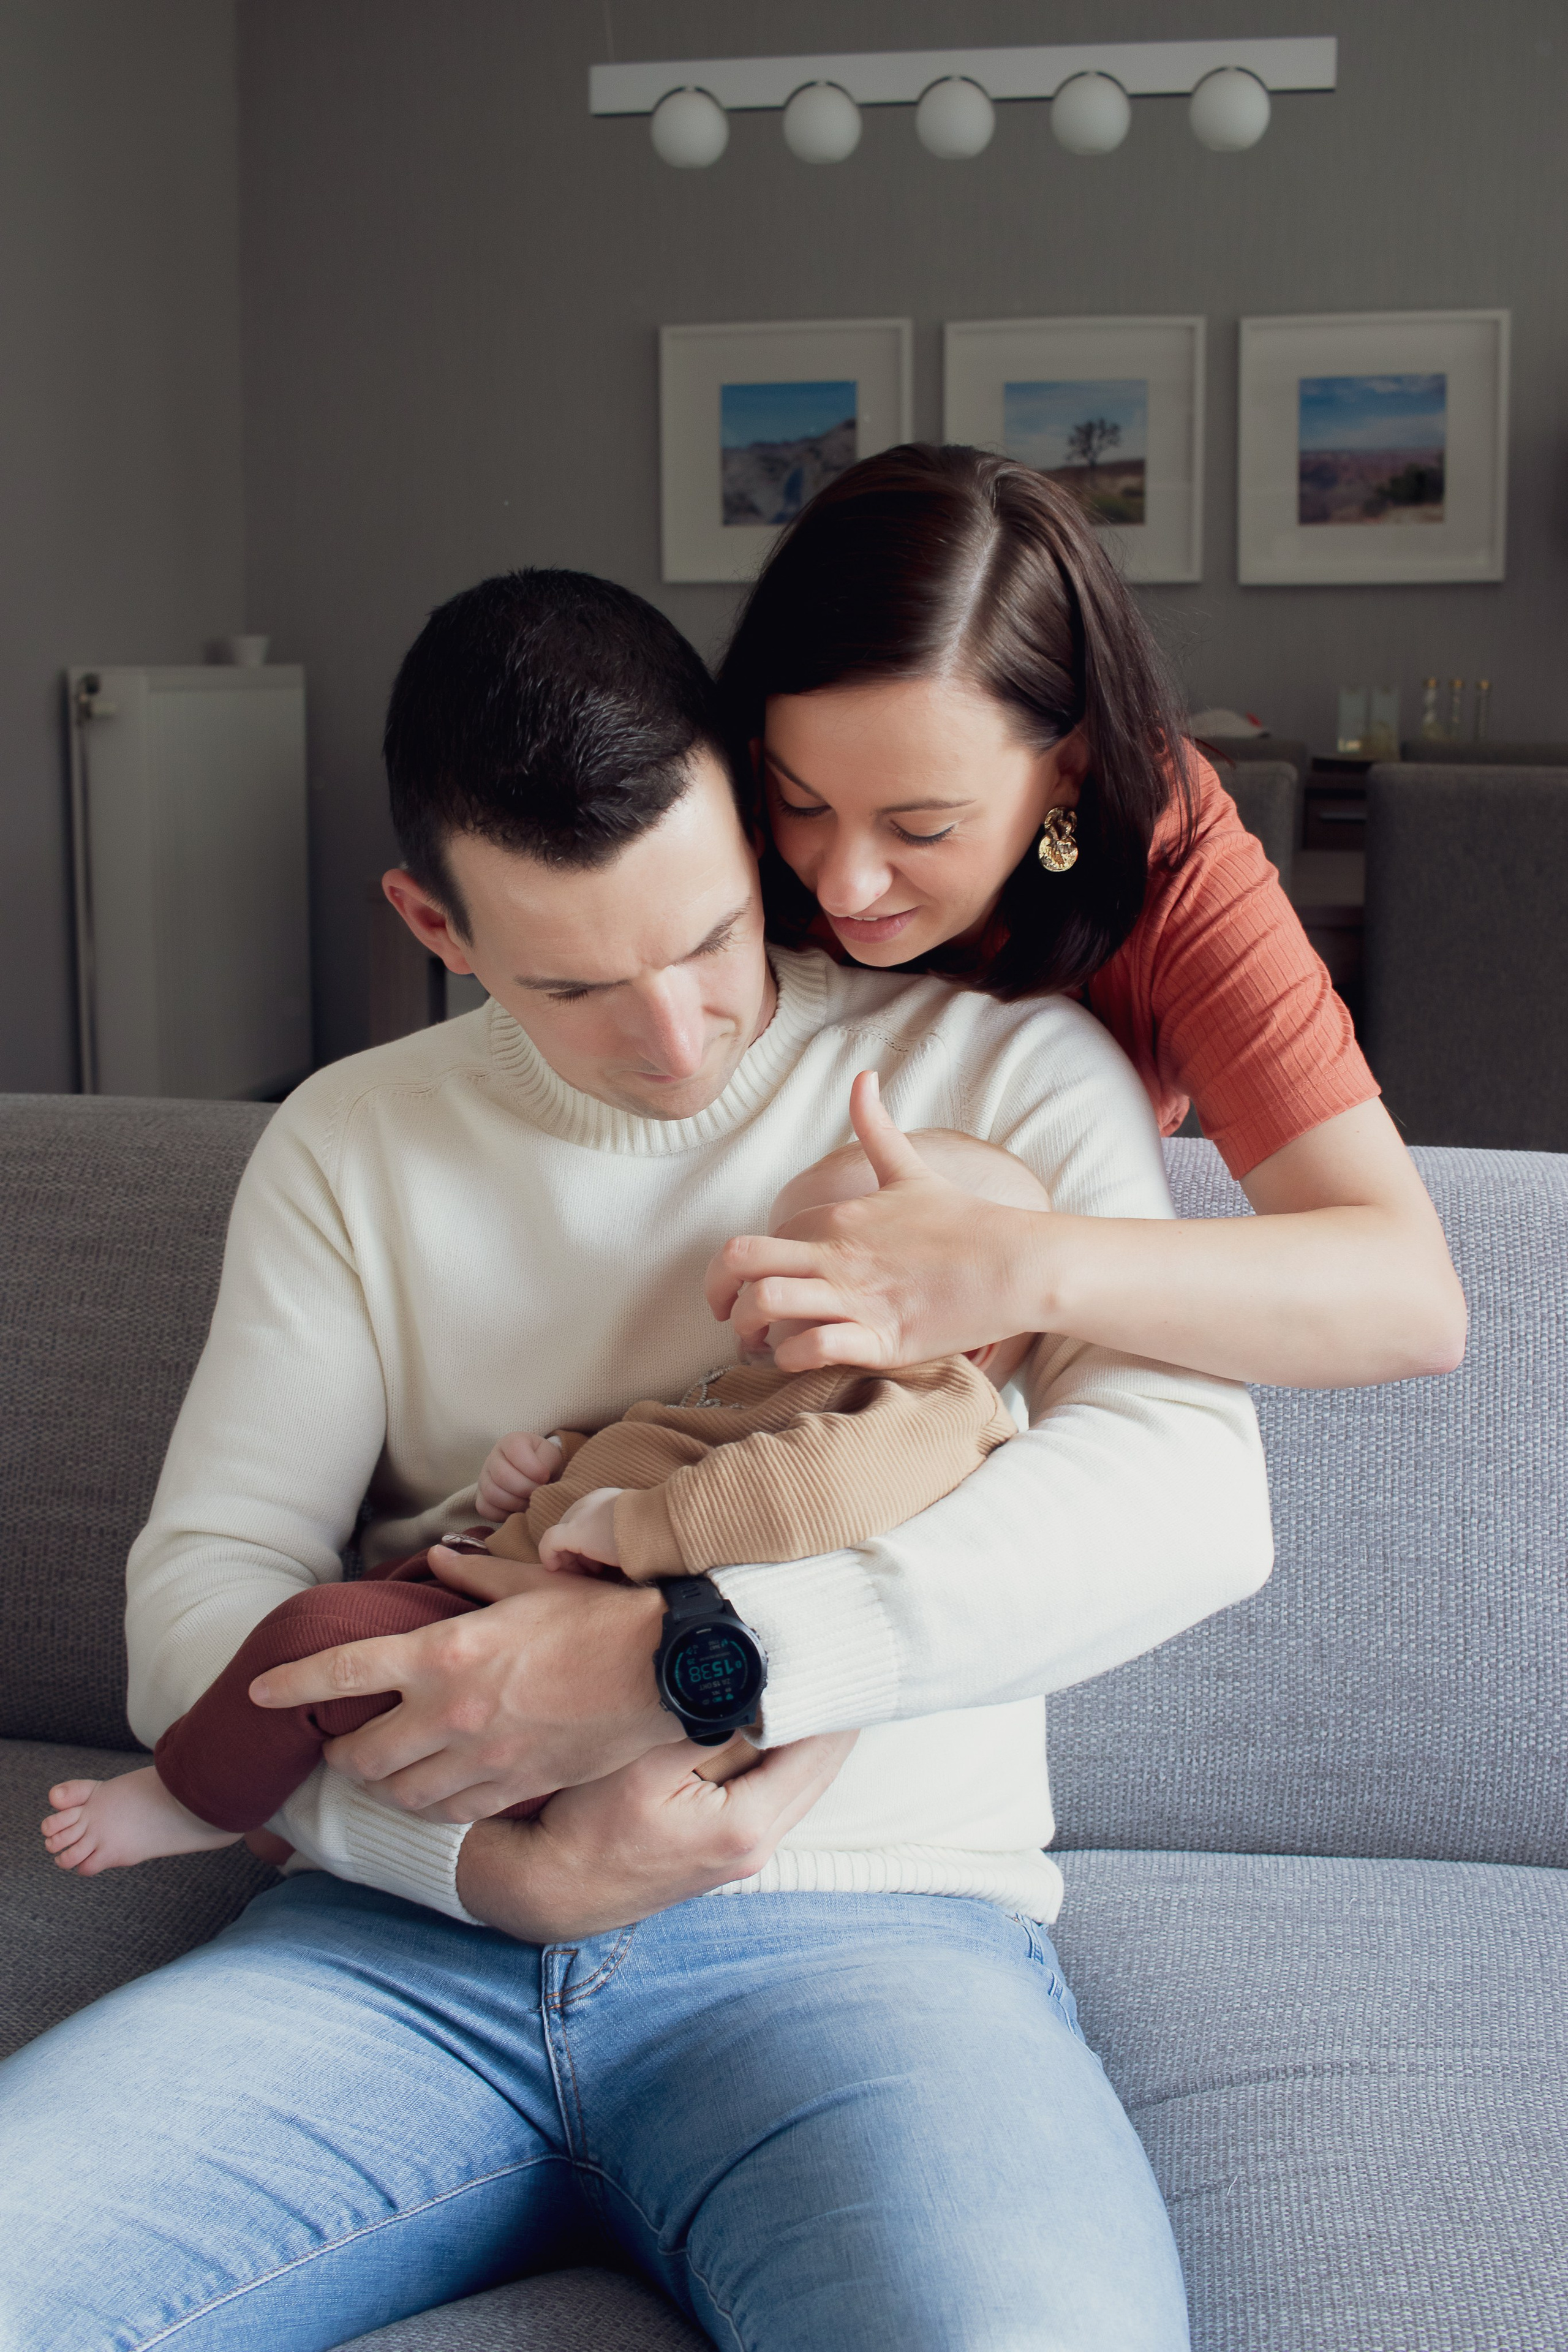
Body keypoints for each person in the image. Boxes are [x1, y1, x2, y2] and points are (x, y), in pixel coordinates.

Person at [0, 567, 1272, 2351]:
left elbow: (1188, 1504)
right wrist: (472, 1869)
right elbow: (195, 1602)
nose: (675, 1042)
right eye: (579, 985)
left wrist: (694, 1662)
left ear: (751, 828)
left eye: (707, 938)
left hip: (866, 1942)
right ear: (431, 928)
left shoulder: (1000, 1078)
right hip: (396, 1950)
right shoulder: (348, 1143)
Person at [39, 1126, 1036, 1878]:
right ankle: (274, 1796)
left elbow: (813, 1493)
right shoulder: (780, 1379)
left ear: (975, 1331)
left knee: (320, 1634)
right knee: (372, 1618)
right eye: (768, 1258)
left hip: (606, 1657)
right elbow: (661, 1433)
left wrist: (636, 1525)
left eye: (814, 1271)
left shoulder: (934, 1400)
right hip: (505, 1573)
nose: (761, 1296)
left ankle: (195, 1800)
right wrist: (551, 1462)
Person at [707, 443, 1468, 1394]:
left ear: (1069, 768)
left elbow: (1411, 1300)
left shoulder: (1166, 860)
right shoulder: (710, 815)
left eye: (921, 826)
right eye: (802, 803)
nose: (844, 888)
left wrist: (1009, 1266)